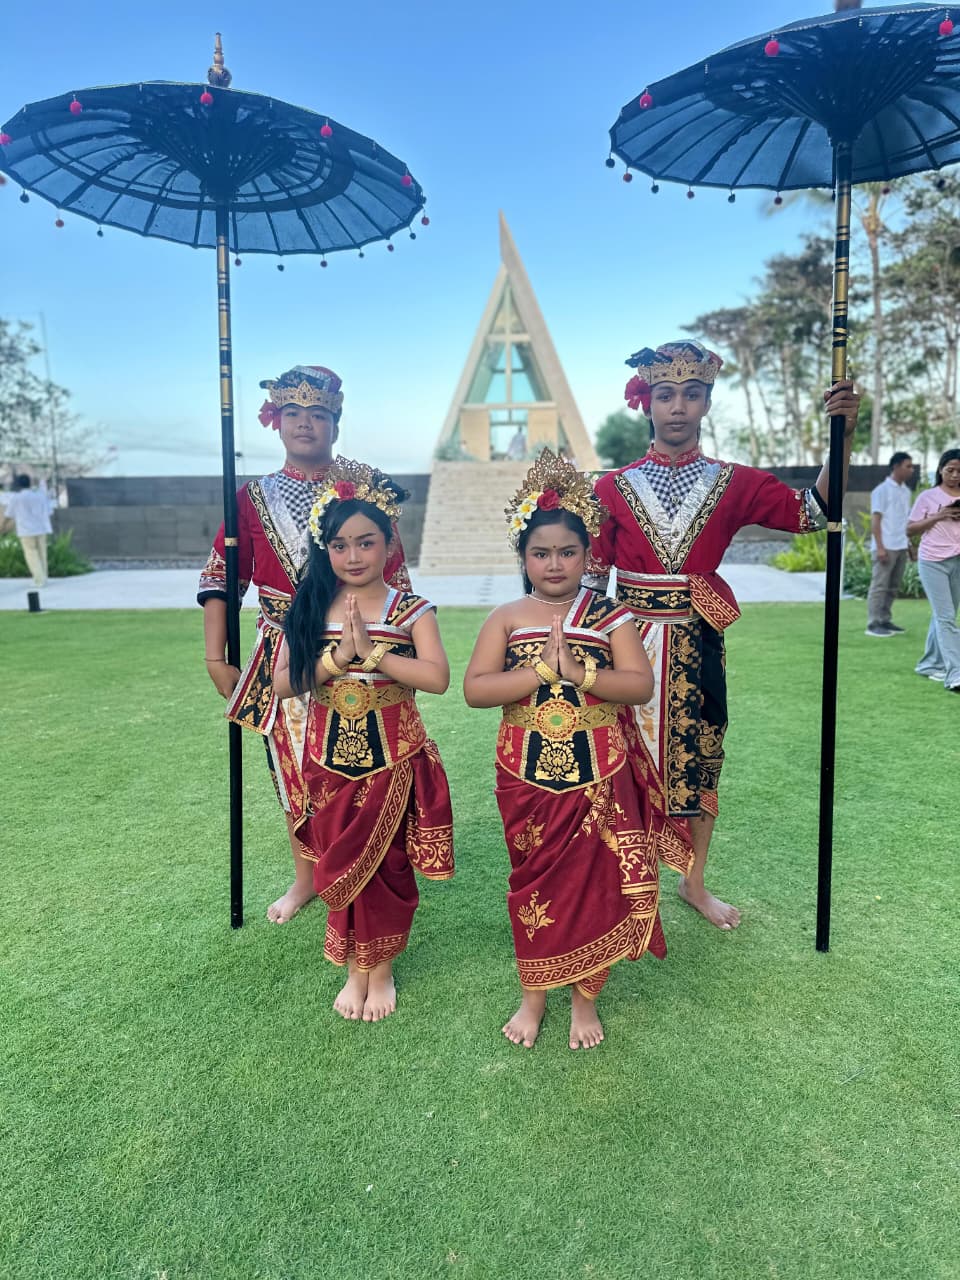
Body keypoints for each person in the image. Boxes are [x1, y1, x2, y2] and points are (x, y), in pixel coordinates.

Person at [585, 340, 860, 931]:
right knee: (614, 761)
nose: (677, 407)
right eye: (665, 395)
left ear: (707, 401)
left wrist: (844, 434)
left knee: (702, 760)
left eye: (691, 394)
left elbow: (813, 511)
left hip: (697, 643)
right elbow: (589, 580)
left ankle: (694, 882)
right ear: (646, 402)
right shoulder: (609, 488)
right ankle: (621, 882)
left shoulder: (734, 482)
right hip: (624, 642)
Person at [464, 449, 664, 1051]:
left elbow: (640, 686)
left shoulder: (611, 614)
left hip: (599, 774)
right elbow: (476, 689)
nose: (554, 564)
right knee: (533, 882)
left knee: (595, 884)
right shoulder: (506, 616)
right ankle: (533, 994)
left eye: (568, 552)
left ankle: (585, 999)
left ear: (588, 554)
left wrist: (580, 674)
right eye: (541, 553)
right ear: (522, 557)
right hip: (525, 775)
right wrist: (537, 677)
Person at [197, 365, 411, 925]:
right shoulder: (250, 496)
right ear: (276, 421)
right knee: (294, 772)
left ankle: (371, 869)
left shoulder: (367, 487)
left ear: (335, 421)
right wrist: (216, 657)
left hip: (361, 644)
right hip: (283, 648)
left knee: (366, 765)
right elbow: (223, 578)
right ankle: (308, 876)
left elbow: (397, 575)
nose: (305, 424)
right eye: (293, 413)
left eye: (318, 414)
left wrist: (400, 647)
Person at [273, 459, 454, 1021]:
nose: (353, 556)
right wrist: (338, 658)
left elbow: (438, 679)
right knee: (340, 859)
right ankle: (356, 968)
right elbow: (282, 682)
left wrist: (374, 655)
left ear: (388, 542)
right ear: (324, 548)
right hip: (328, 761)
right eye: (339, 544)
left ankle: (380, 970)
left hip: (393, 761)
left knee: (388, 866)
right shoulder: (306, 607)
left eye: (366, 542)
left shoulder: (410, 609)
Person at [906, 448, 960, 692]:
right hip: (932, 562)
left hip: (957, 561)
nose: (955, 475)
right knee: (946, 617)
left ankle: (928, 664)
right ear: (940, 470)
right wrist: (939, 516)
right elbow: (910, 529)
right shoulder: (928, 496)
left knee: (943, 616)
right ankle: (955, 674)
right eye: (950, 470)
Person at [865, 450, 915, 637]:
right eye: (907, 466)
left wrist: (910, 546)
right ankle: (873, 623)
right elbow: (876, 520)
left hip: (901, 545)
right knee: (879, 586)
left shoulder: (906, 491)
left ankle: (885, 620)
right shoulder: (881, 491)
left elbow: (905, 520)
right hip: (885, 547)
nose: (911, 470)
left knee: (893, 586)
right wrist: (880, 547)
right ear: (896, 467)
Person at [1, 474, 55, 589]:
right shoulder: (39, 496)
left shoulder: (16, 498)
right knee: (42, 553)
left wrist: (2, 526)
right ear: (30, 483)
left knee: (31, 554)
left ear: (19, 484)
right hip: (41, 528)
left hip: (26, 530)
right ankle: (44, 576)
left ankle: (39, 579)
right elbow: (48, 511)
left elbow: (8, 515)